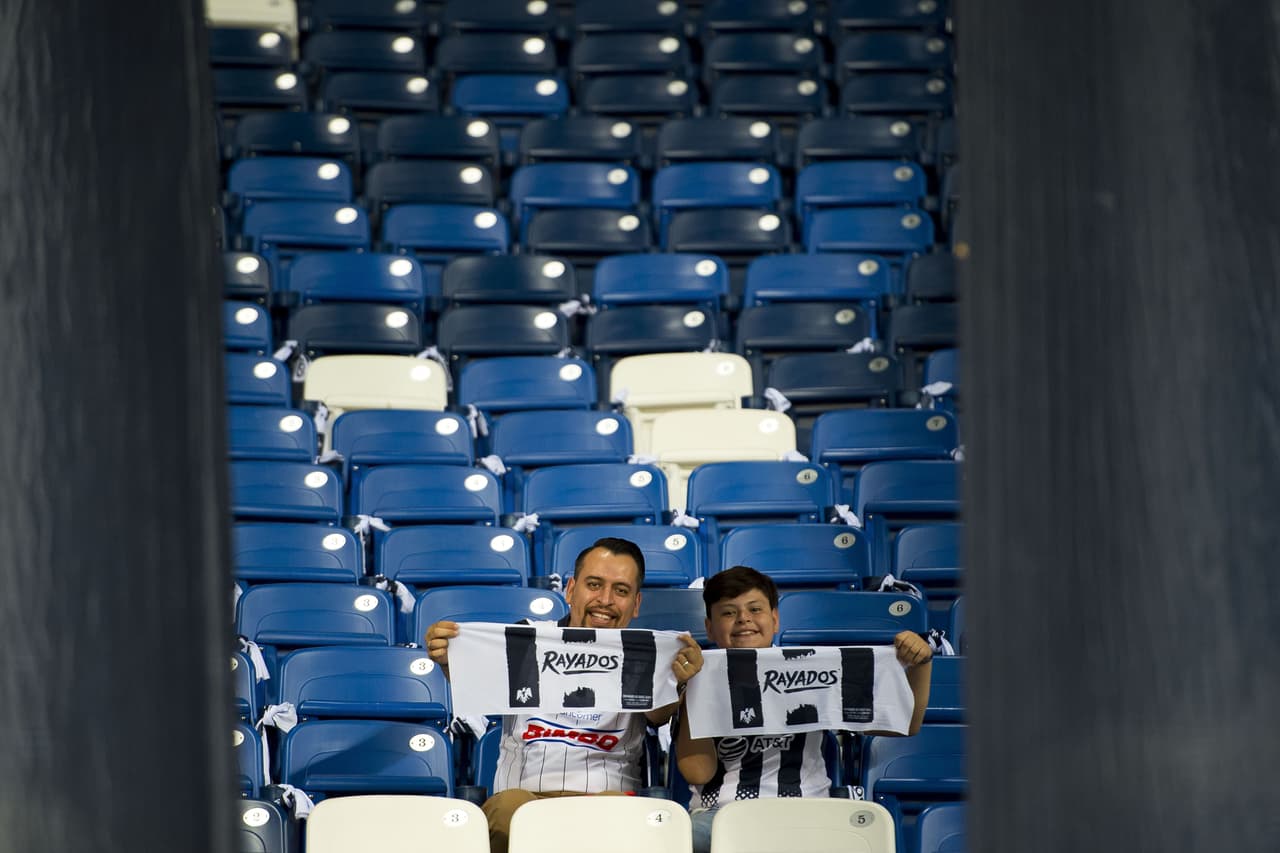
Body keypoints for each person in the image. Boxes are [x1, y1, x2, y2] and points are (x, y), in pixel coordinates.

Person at [425, 536, 703, 853]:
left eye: (621, 590)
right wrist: (450, 659)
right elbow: (475, 683)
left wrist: (681, 680)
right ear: (571, 590)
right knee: (507, 810)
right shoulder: (525, 635)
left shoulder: (647, 651)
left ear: (636, 604)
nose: (606, 599)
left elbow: (658, 715)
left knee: (620, 812)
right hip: (522, 799)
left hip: (606, 800)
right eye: (594, 585)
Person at [674, 566, 933, 853]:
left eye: (755, 609)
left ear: (774, 619)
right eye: (728, 612)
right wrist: (694, 690)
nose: (743, 619)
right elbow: (698, 773)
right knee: (681, 841)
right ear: (709, 627)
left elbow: (905, 724)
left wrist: (920, 664)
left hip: (808, 811)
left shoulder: (814, 667)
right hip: (720, 816)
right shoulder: (696, 676)